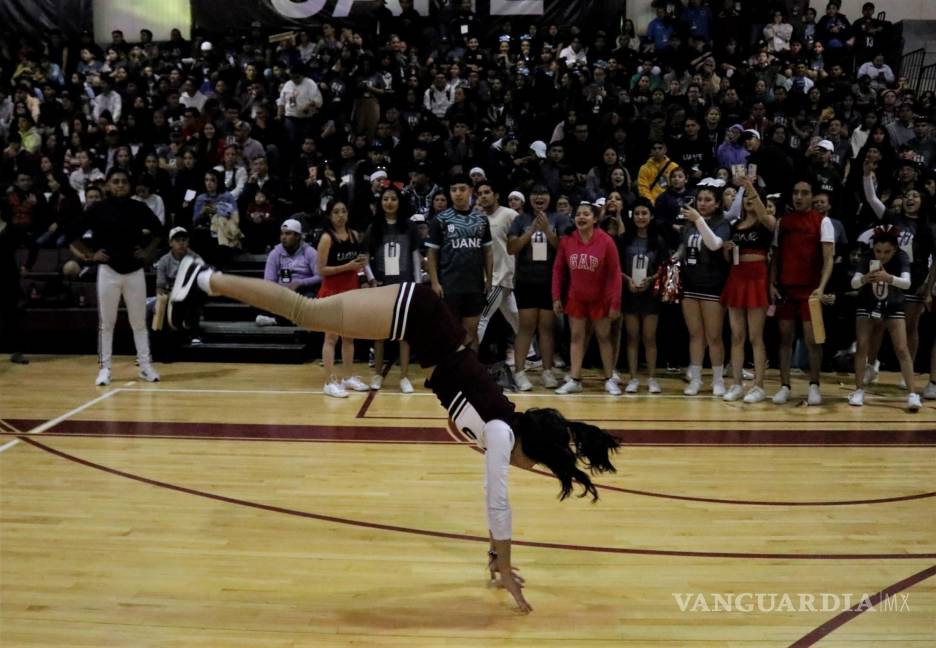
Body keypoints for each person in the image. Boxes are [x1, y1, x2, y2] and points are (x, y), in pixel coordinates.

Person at [168, 260, 622, 615]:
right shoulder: (503, 433)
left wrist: (492, 554)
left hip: (422, 327)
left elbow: (495, 500)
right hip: (418, 313)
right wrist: (503, 566)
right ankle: (206, 278)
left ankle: (207, 280)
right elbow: (497, 502)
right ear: (531, 449)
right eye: (539, 464)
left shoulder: (503, 430)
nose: (532, 470)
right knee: (305, 312)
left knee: (308, 314)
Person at [65, 168, 163, 385]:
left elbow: (160, 232)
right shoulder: (97, 209)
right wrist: (90, 255)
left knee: (138, 322)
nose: (120, 185)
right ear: (108, 185)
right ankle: (104, 369)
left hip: (134, 271)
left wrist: (147, 253)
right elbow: (71, 234)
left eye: (124, 182)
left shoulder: (139, 207)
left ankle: (145, 366)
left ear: (129, 185)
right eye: (116, 181)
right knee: (106, 323)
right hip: (108, 271)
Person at [770, 178, 835, 406]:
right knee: (785, 338)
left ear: (812, 196)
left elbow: (829, 259)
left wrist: (822, 287)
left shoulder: (823, 222)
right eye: (796, 192)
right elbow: (775, 258)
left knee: (813, 340)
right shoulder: (783, 222)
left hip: (811, 291)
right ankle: (785, 386)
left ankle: (814, 385)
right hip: (787, 290)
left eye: (804, 193)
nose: (799, 197)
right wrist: (772, 283)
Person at [848, 225, 922, 412]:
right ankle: (858, 390)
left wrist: (889, 278)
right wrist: (865, 278)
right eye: (878, 251)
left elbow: (907, 283)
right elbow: (854, 283)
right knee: (862, 345)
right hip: (867, 305)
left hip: (893, 305)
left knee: (901, 348)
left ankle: (912, 393)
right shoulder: (867, 258)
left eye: (887, 252)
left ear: (895, 249)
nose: (882, 256)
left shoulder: (902, 258)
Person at [552, 202, 623, 395]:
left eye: (586, 214)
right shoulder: (568, 240)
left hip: (601, 298)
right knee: (576, 337)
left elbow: (615, 274)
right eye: (578, 214)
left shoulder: (606, 241)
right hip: (576, 298)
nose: (581, 217)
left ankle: (609, 379)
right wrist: (556, 296)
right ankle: (575, 379)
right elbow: (558, 269)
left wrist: (615, 302)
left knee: (604, 337)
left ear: (595, 218)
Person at [720, 176, 776, 403]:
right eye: (745, 199)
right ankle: (736, 384)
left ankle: (759, 386)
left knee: (756, 336)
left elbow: (765, 216)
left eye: (752, 199)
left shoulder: (766, 221)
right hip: (736, 278)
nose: (748, 202)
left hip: (757, 279)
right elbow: (728, 258)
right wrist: (726, 249)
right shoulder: (735, 226)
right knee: (737, 336)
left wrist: (749, 186)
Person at [675, 180, 730, 397]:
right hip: (690, 284)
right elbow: (685, 246)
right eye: (700, 200)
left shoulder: (722, 223)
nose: (703, 203)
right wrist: (675, 257)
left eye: (708, 200)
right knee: (695, 335)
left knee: (714, 336)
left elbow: (715, 244)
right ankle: (696, 379)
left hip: (713, 285)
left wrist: (699, 220)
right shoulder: (689, 224)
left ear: (717, 204)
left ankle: (718, 380)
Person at [426, 174, 493, 351]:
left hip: (474, 285)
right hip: (449, 286)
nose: (458, 193)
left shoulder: (481, 219)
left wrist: (489, 278)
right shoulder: (440, 220)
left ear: (471, 191)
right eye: (454, 190)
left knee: (471, 333)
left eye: (462, 189)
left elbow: (487, 251)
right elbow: (431, 254)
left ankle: (471, 375)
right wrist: (434, 282)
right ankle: (450, 376)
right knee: (449, 333)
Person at [366, 186, 421, 393]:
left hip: (404, 285)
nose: (389, 202)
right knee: (379, 333)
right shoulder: (375, 227)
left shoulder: (409, 227)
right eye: (386, 199)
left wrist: (416, 284)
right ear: (381, 203)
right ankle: (378, 374)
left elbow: (415, 257)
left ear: (399, 202)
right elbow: (365, 258)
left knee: (404, 334)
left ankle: (404, 377)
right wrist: (371, 280)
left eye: (393, 199)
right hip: (381, 286)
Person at [317, 200, 372, 398]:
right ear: (330, 216)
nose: (340, 215)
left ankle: (347, 377)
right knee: (331, 338)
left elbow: (359, 264)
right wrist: (347, 267)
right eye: (336, 212)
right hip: (331, 292)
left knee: (349, 338)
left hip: (351, 292)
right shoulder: (326, 238)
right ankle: (329, 381)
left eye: (343, 211)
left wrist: (363, 264)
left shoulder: (355, 235)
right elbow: (321, 270)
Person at [617, 199, 668, 394]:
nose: (640, 217)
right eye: (637, 213)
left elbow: (664, 269)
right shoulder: (624, 240)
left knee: (649, 337)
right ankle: (633, 378)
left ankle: (652, 378)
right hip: (629, 294)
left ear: (651, 216)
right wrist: (627, 279)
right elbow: (616, 267)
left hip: (650, 296)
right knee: (632, 337)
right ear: (632, 216)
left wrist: (651, 279)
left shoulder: (658, 241)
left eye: (644, 213)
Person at [475, 181, 520, 350]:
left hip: (501, 276)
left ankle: (467, 360)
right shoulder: (478, 218)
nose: (483, 196)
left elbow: (520, 244)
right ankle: (531, 354)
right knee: (514, 316)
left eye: (487, 192)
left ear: (496, 195)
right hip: (487, 276)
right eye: (480, 194)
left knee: (482, 318)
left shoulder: (510, 215)